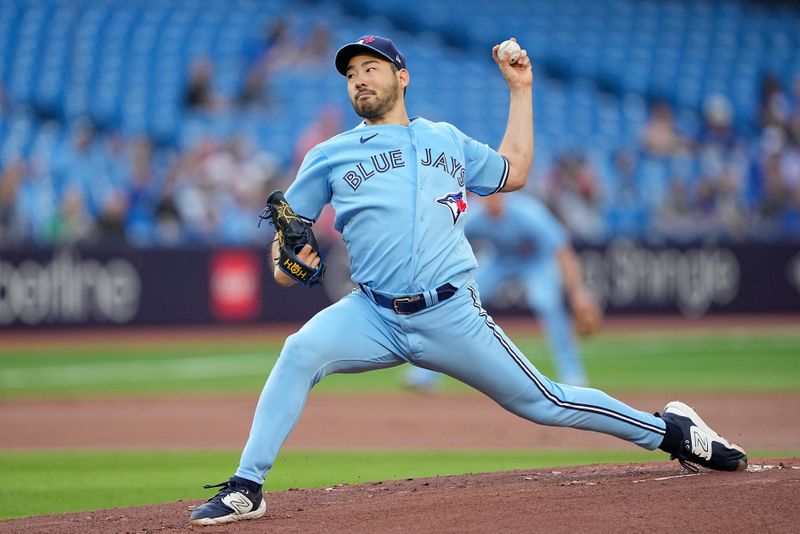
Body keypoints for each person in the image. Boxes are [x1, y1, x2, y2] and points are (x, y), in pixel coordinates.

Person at [189, 35, 747, 526]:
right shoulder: (329, 155)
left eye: (371, 67)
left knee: (545, 401)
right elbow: (288, 244)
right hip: (372, 314)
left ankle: (674, 432)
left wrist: (520, 90)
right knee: (299, 351)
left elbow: (516, 170)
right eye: (352, 73)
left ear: (401, 76)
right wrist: (285, 262)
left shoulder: (445, 139)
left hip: (451, 314)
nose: (360, 78)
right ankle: (246, 487)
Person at [405, 192, 599, 392]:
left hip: (535, 261)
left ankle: (572, 373)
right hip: (500, 260)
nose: (491, 199)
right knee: (459, 301)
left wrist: (579, 295)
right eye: (486, 194)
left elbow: (562, 249)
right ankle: (425, 375)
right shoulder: (475, 214)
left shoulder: (529, 212)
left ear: (505, 195)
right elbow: (446, 244)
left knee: (547, 302)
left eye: (495, 194)